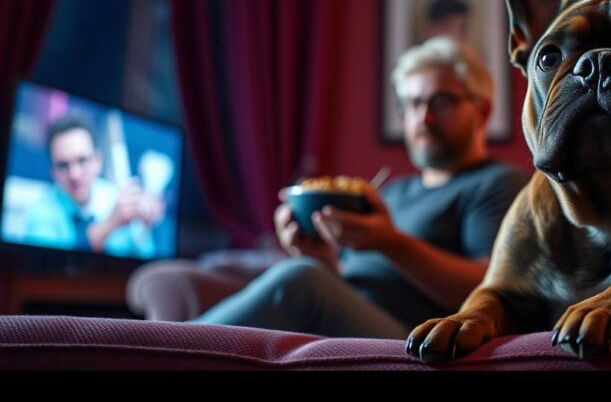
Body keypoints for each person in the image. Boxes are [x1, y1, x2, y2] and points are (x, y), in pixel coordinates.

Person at [190, 37, 529, 338]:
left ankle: (171, 348)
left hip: (415, 339)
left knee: (301, 280)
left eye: (440, 102)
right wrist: (319, 257)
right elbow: (346, 286)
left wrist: (391, 243)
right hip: (353, 323)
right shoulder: (392, 192)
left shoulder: (498, 184)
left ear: (482, 110)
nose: (423, 118)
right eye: (412, 104)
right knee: (306, 273)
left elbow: (494, 290)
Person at [21, 114, 162, 257]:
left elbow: (144, 257)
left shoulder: (116, 198)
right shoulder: (40, 211)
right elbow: (47, 265)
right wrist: (110, 224)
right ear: (53, 172)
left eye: (82, 160)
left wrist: (145, 226)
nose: (74, 175)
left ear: (97, 161)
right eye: (63, 165)